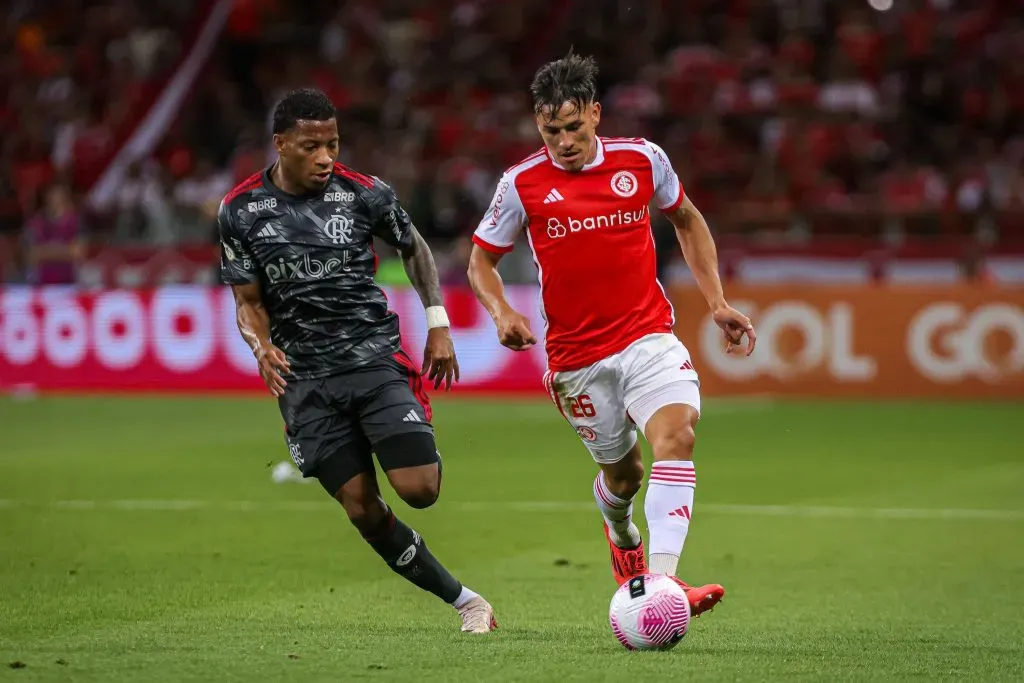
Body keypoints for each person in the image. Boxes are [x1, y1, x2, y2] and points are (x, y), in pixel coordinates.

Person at [466, 53, 757, 618]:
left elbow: (688, 219)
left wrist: (717, 300)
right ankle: (618, 527)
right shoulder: (521, 183)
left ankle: (665, 586)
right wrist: (501, 311)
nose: (565, 142)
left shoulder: (643, 161)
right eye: (552, 131)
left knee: (678, 436)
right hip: (577, 359)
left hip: (648, 336)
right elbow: (481, 261)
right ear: (538, 126)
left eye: (574, 127)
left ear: (596, 115)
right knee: (624, 477)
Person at [218, 88, 496, 633]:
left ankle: (387, 427)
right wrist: (261, 345)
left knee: (420, 490)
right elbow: (247, 302)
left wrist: (438, 323)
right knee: (363, 509)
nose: (326, 157)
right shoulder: (241, 210)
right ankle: (467, 602)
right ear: (280, 145)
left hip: (371, 359)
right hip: (304, 380)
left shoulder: (363, 194)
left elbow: (413, 244)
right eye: (311, 146)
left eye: (333, 143)